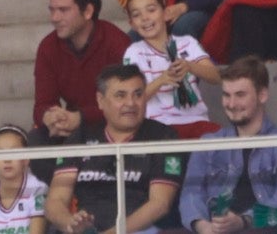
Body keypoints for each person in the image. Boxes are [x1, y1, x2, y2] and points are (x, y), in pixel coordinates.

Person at [43, 64, 185, 234]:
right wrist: (70, 223)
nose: (131, 103)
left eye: (138, 94)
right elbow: (55, 201)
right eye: (120, 95)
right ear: (100, 101)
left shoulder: (163, 136)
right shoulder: (81, 137)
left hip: (141, 230)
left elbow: (160, 205)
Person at [177, 57, 277, 234]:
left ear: (262, 95)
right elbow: (190, 194)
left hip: (262, 228)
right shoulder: (208, 143)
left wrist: (243, 221)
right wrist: (203, 227)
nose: (231, 104)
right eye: (226, 95)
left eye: (240, 95)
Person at [33, 0, 131, 137]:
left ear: (88, 11)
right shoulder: (48, 47)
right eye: (52, 10)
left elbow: (127, 105)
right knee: (37, 139)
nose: (54, 18)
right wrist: (50, 117)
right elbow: (42, 104)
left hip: (113, 128)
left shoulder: (117, 43)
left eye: (63, 10)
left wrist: (81, 117)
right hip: (73, 128)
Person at [122, 0, 221, 139]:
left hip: (196, 120)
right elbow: (133, 99)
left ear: (166, 13)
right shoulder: (134, 52)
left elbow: (216, 77)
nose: (145, 18)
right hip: (157, 125)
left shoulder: (187, 42)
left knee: (222, 141)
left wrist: (190, 66)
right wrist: (162, 80)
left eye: (151, 10)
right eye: (137, 15)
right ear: (132, 24)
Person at [0, 125, 48, 234]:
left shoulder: (37, 189)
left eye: (14, 152)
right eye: (0, 153)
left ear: (26, 158)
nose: (7, 159)